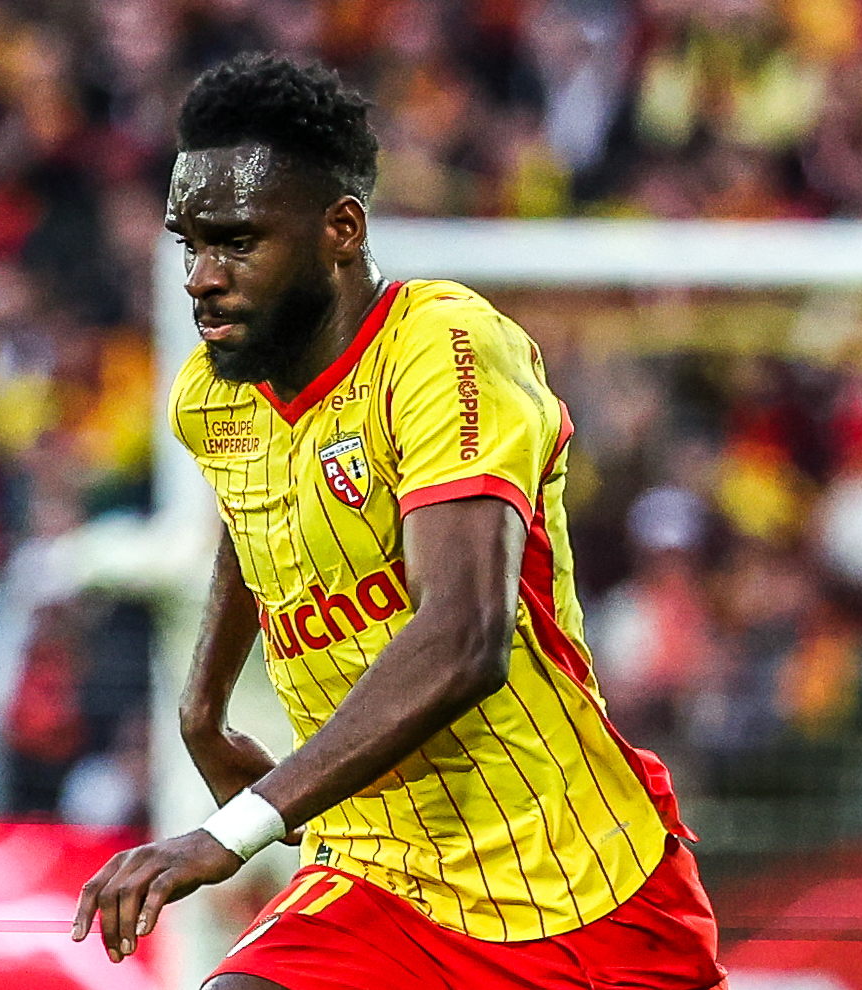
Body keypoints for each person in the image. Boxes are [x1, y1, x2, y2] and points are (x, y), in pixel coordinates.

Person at [73, 54, 725, 990]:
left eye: (239, 242)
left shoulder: (443, 349)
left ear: (341, 229)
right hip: (374, 876)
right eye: (191, 245)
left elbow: (464, 636)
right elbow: (250, 512)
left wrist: (231, 831)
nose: (202, 279)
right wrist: (202, 704)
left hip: (576, 889)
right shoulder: (215, 396)